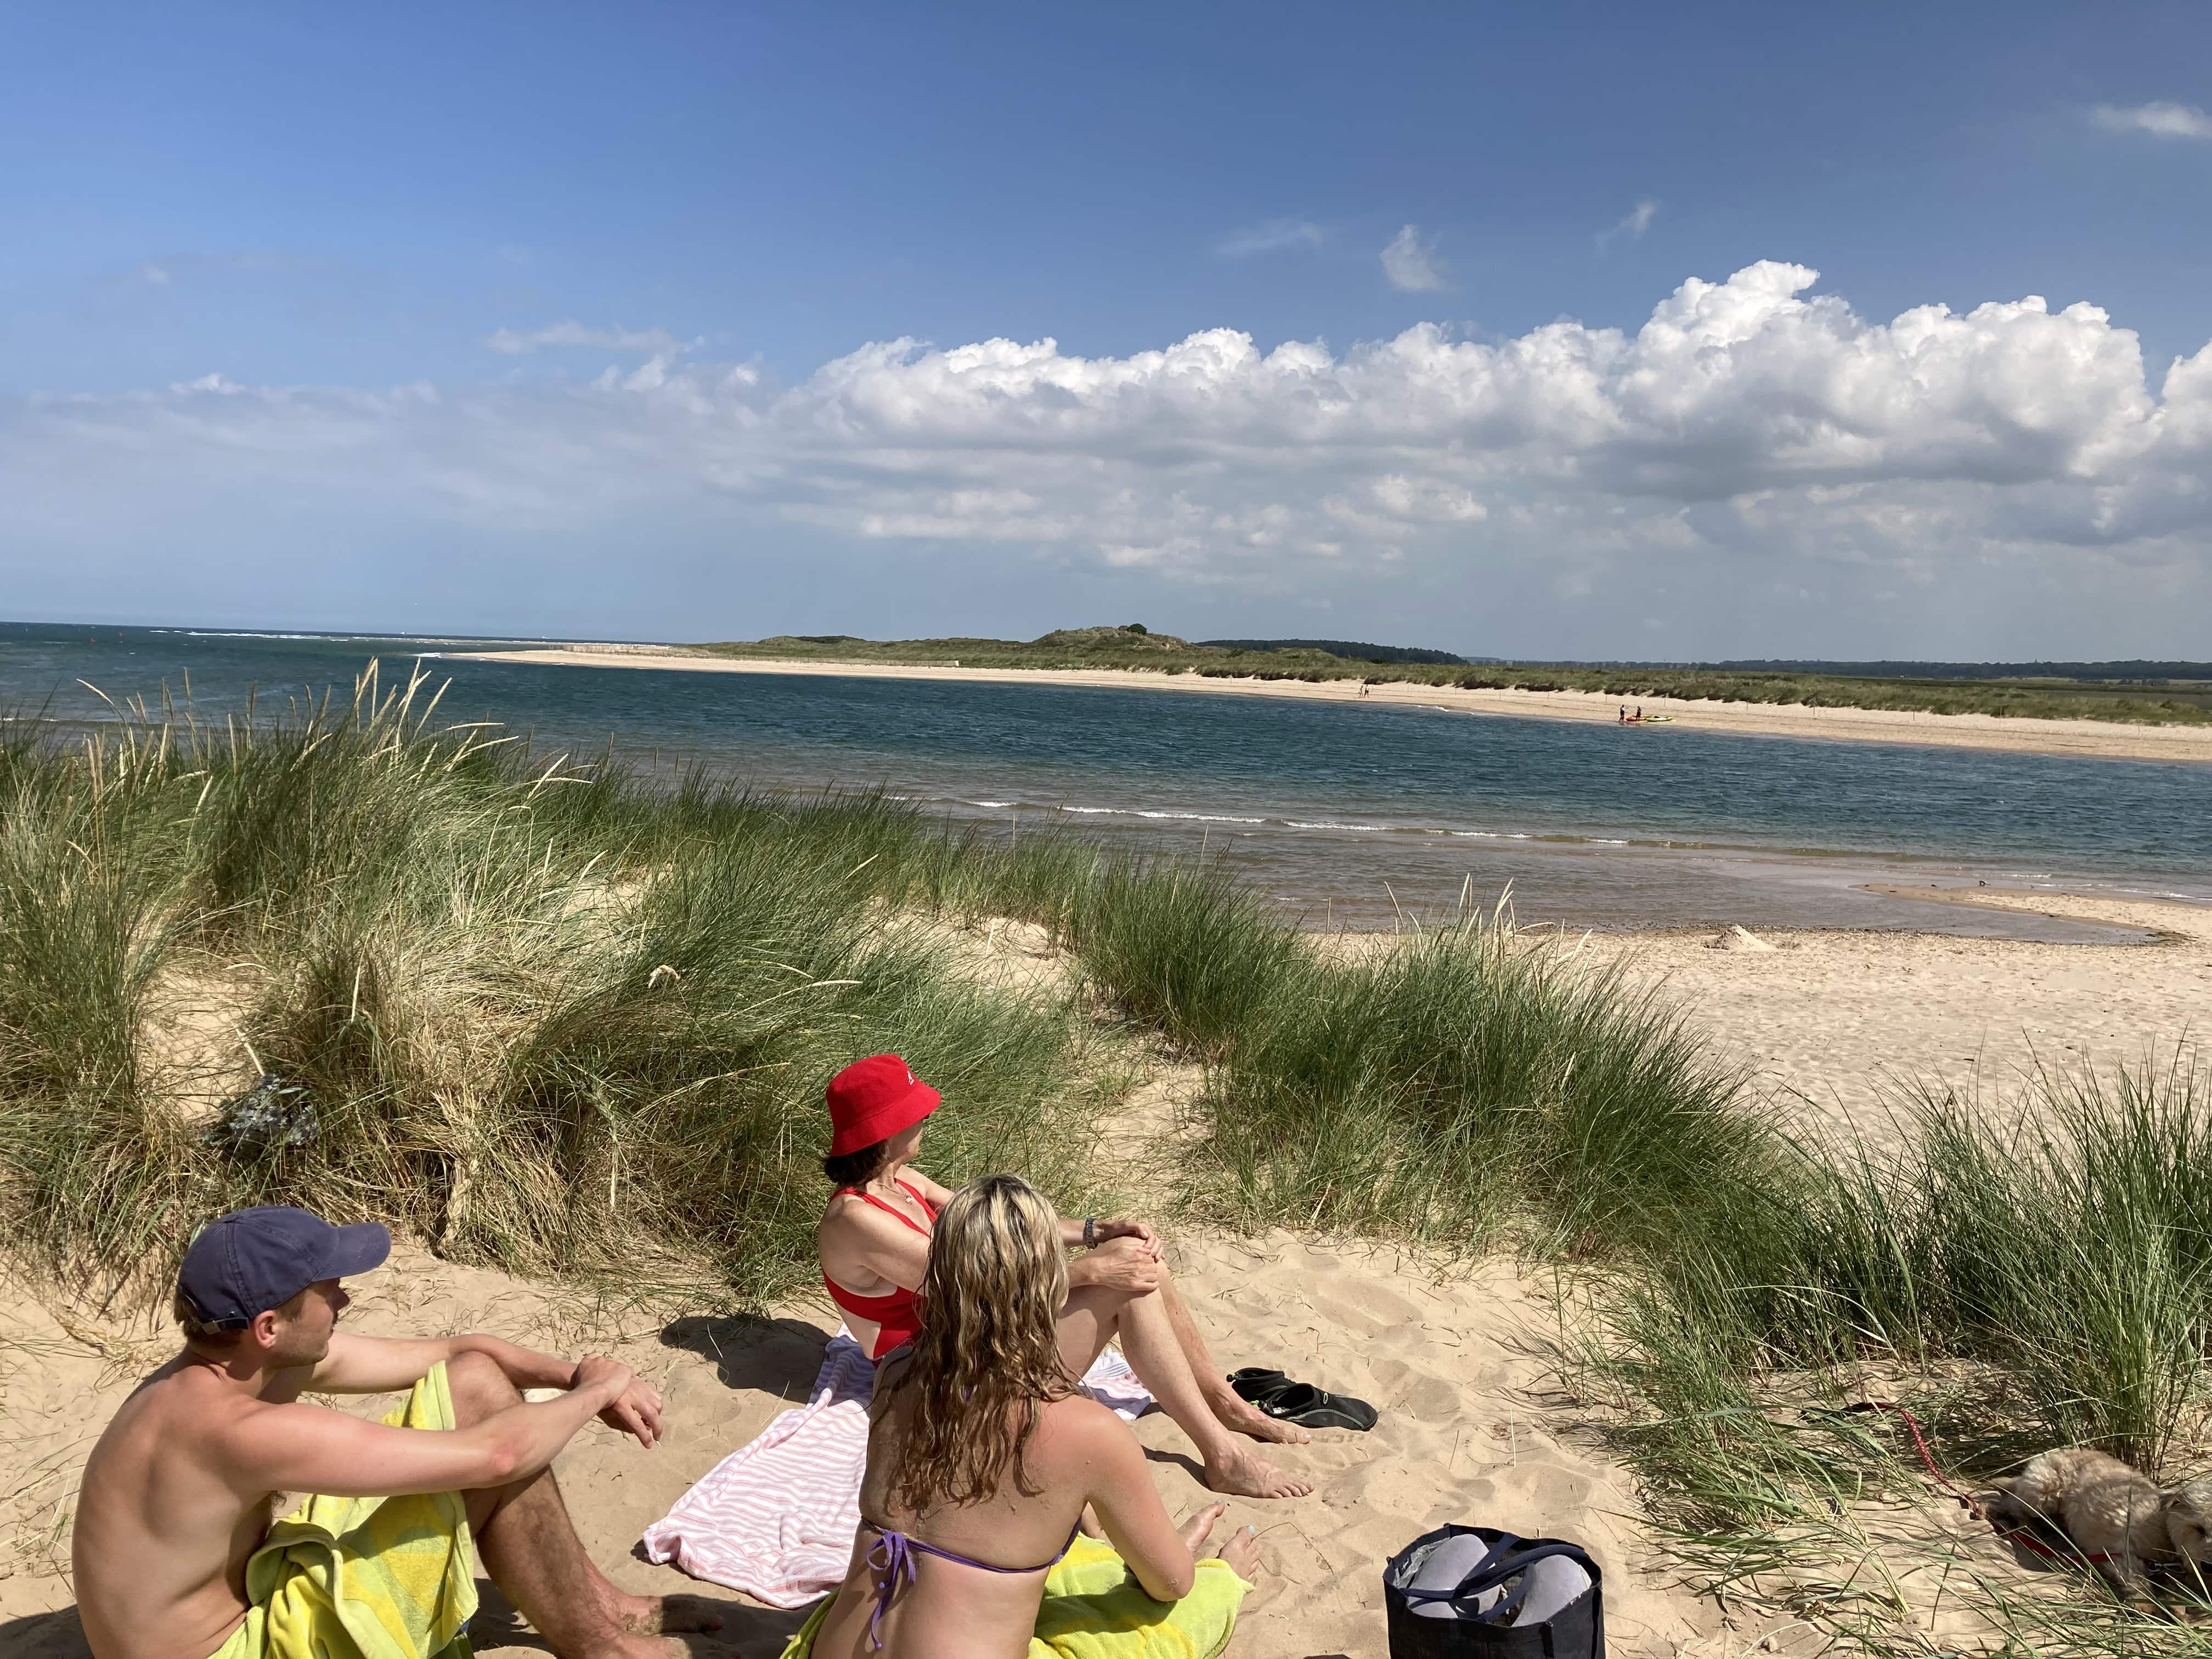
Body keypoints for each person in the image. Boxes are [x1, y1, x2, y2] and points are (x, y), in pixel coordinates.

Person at [71, 1206, 719, 1659]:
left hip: (236, 1614)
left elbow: (459, 1352)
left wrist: (574, 1371)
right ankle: (600, 1646)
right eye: (330, 1291)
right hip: (237, 1650)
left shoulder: (218, 1372)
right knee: (492, 1433)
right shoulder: (235, 1430)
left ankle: (600, 1609)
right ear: (268, 1326)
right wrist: (599, 1390)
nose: (345, 1301)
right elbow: (497, 1455)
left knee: (474, 1383)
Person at [788, 1174, 1261, 1658]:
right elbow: (1171, 1585)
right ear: (1052, 1282)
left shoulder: (896, 1374)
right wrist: (1208, 1576)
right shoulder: (1089, 1432)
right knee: (1174, 1619)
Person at [815, 1056, 1311, 1500]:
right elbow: (978, 1284)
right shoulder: (856, 1219)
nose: (927, 1116)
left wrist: (1099, 1231)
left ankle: (1223, 1402)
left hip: (973, 1343)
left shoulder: (902, 1182)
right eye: (916, 1110)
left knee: (1138, 1259)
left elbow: (1011, 1226)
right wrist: (1091, 1270)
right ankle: (1223, 1457)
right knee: (1126, 1285)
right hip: (943, 1377)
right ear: (888, 1127)